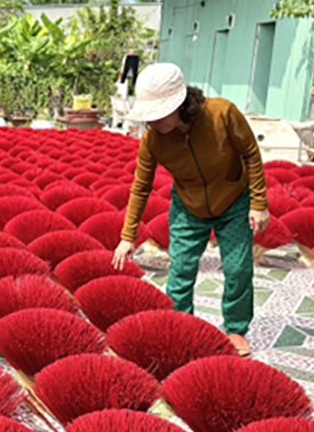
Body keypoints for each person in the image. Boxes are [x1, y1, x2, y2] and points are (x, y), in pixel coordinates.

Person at [113, 63, 268, 357]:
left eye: (157, 114)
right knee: (181, 269)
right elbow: (140, 185)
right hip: (188, 206)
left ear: (180, 105)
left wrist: (259, 203)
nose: (151, 123)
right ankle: (180, 328)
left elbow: (250, 152)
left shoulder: (222, 114)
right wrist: (127, 235)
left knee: (237, 269)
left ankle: (235, 329)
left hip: (234, 201)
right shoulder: (153, 139)